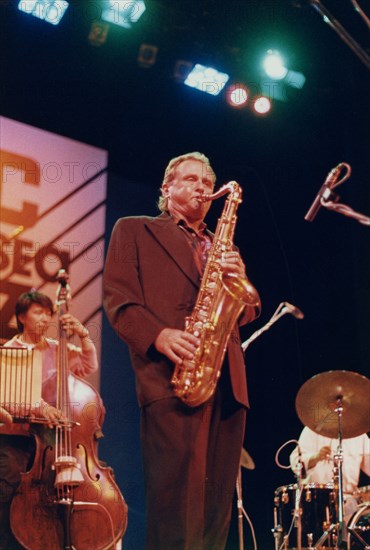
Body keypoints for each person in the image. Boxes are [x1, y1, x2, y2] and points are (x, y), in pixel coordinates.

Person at [103, 151, 260, 550]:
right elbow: (118, 300)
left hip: (226, 381)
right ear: (166, 188)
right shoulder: (134, 229)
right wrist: (159, 335)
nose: (202, 189)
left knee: (214, 514)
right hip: (171, 378)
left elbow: (249, 309)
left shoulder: (221, 247)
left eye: (207, 183)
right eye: (191, 180)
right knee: (176, 510)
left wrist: (238, 279)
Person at [0, 290, 98, 550]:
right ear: (22, 316)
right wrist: (42, 408)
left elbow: (88, 366)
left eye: (47, 313)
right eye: (37, 312)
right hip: (16, 440)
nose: (44, 319)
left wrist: (84, 336)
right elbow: (9, 397)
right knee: (9, 493)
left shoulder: (58, 349)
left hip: (50, 441)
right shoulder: (10, 352)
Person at [290, 426, 370, 529]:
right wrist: (316, 457)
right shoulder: (313, 429)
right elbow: (296, 463)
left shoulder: (358, 434)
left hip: (349, 499)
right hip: (317, 499)